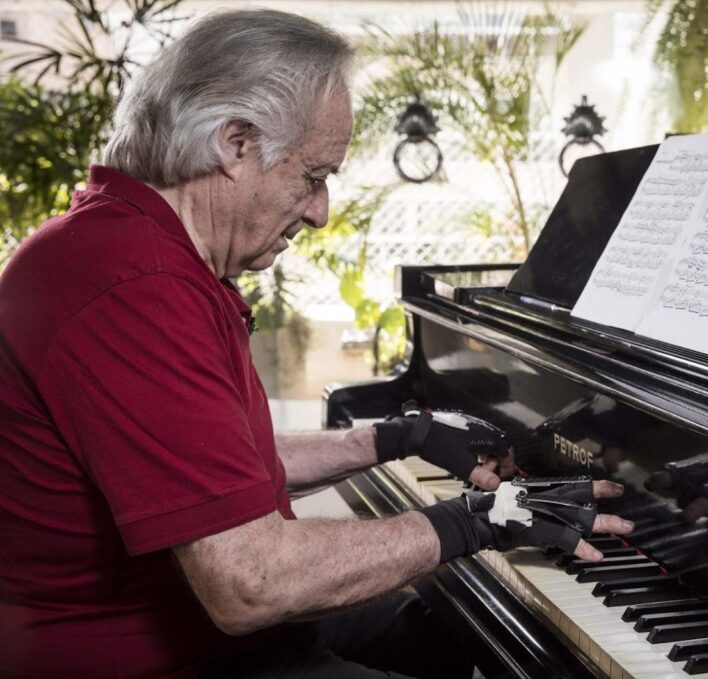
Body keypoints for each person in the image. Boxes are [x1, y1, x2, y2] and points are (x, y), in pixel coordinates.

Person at [0, 9, 634, 678]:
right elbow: (251, 582)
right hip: (154, 652)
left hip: (186, 617)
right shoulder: (133, 287)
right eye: (313, 176)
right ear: (236, 143)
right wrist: (479, 518)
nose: (321, 211)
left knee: (445, 630)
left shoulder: (134, 246)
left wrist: (396, 437)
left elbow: (212, 470)